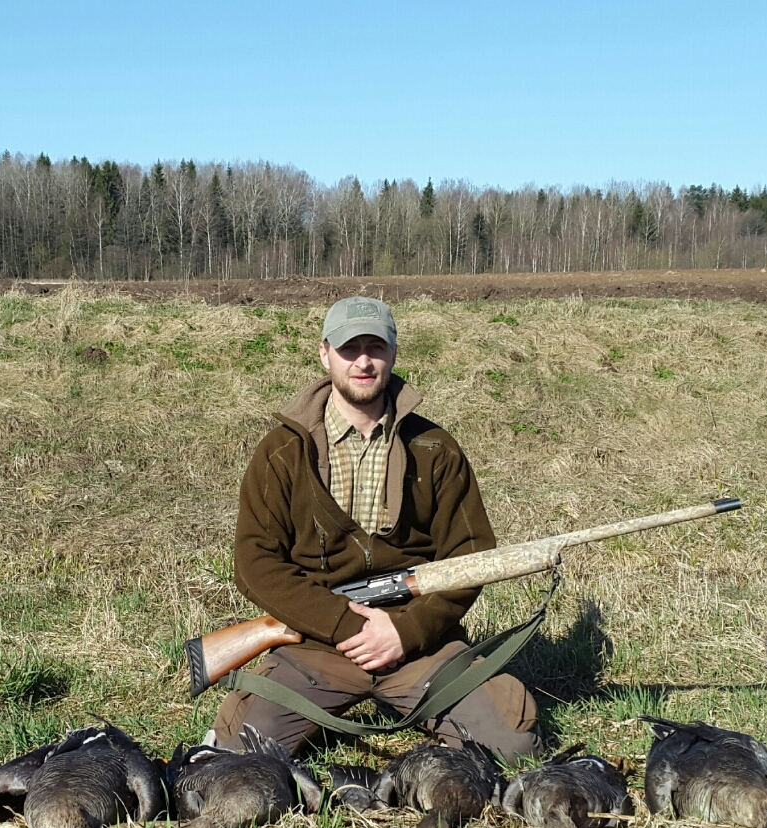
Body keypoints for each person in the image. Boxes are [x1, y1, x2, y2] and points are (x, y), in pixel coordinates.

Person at [206, 296, 542, 764]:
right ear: (325, 354)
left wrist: (407, 631)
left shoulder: (435, 448)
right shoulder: (281, 453)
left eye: (375, 348)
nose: (363, 362)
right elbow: (255, 563)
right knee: (234, 756)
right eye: (349, 348)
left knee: (514, 746)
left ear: (394, 353)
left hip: (419, 647)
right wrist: (345, 625)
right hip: (316, 645)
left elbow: (469, 556)